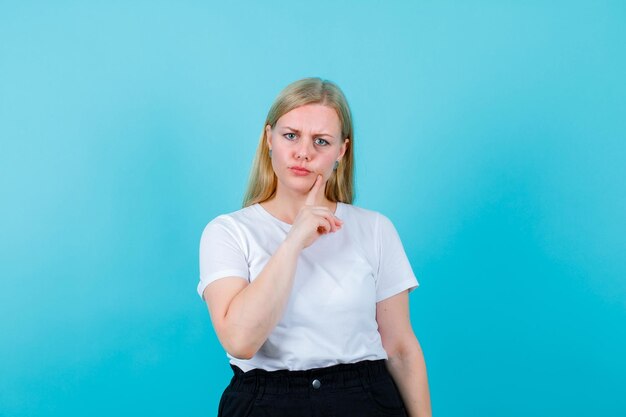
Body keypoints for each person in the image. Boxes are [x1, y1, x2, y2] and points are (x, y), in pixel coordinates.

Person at [198, 77, 432, 417]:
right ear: (269, 139)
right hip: (266, 402)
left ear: (341, 151)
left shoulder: (375, 229)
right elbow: (240, 342)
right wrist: (294, 240)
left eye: (321, 141)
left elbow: (399, 347)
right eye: (290, 135)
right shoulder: (228, 232)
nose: (303, 152)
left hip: (364, 400)